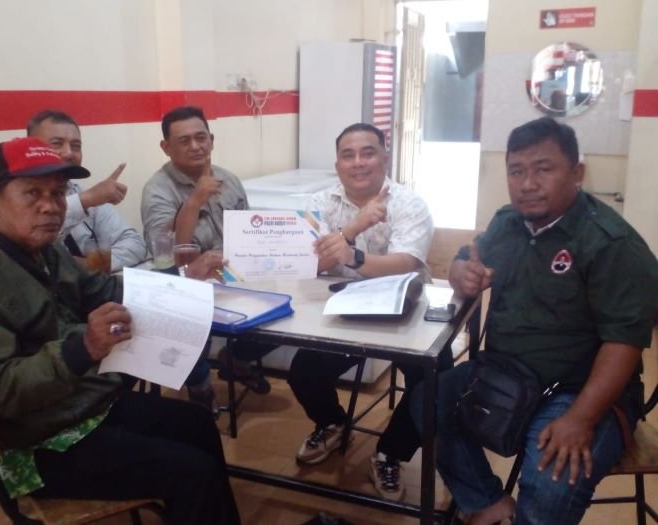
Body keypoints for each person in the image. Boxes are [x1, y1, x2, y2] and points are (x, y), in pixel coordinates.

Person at [0, 137, 240, 525]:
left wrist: (184, 276)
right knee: (193, 472)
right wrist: (83, 348)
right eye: (33, 193)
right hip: (31, 444)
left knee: (198, 424)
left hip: (79, 406)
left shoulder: (46, 251)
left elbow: (107, 293)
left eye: (58, 193)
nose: (50, 206)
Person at [410, 117, 658, 524]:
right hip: (507, 374)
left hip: (579, 389)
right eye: (516, 171)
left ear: (576, 173)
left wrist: (581, 418)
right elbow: (466, 259)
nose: (527, 184)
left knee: (551, 477)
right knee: (427, 401)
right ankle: (487, 503)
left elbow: (624, 343)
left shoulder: (611, 244)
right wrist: (461, 275)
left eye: (544, 169)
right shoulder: (507, 223)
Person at [287, 123, 434, 501]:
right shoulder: (319, 202)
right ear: (337, 164)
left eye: (368, 153)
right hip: (343, 309)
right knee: (303, 369)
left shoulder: (409, 203)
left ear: (385, 157)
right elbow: (307, 264)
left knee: (433, 382)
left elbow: (405, 264)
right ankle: (333, 423)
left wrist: (351, 256)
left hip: (404, 309)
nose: (358, 162)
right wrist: (354, 228)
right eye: (348, 155)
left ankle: (390, 453)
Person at [141, 105, 273, 394]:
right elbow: (166, 255)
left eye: (201, 138)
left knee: (286, 307)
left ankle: (236, 359)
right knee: (188, 318)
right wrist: (194, 202)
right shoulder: (157, 189)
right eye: (184, 140)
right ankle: (200, 388)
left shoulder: (229, 180)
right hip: (186, 282)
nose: (195, 146)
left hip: (235, 274)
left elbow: (249, 234)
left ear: (211, 140)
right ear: (166, 148)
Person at [27, 110, 147, 272]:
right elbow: (35, 254)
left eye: (76, 146)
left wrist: (89, 266)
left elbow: (135, 244)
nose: (69, 153)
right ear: (30, 148)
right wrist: (85, 200)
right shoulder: (16, 199)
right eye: (57, 144)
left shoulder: (83, 193)